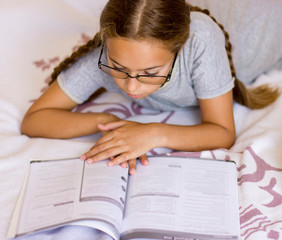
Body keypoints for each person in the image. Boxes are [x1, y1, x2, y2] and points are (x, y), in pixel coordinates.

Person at [21, 0, 279, 175]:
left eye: (150, 73)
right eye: (118, 67)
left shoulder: (200, 40)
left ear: (179, 50)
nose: (131, 86)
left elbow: (222, 132)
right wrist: (108, 122)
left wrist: (154, 133)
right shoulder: (105, 55)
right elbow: (34, 120)